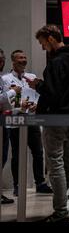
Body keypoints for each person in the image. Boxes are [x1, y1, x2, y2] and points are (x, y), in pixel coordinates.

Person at [27, 25, 69, 222]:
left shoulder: (57, 62)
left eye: (42, 43)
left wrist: (38, 85)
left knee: (55, 165)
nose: (42, 48)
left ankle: (61, 211)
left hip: (55, 119)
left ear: (50, 39)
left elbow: (53, 93)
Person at [1, 50, 53, 197]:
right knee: (17, 154)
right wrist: (19, 106)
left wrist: (36, 104)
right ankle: (18, 185)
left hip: (32, 118)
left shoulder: (31, 77)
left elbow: (38, 95)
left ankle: (40, 183)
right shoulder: (5, 79)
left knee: (38, 152)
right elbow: (5, 100)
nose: (23, 60)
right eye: (20, 58)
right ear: (13, 61)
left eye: (24, 58)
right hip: (16, 120)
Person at [0, 48, 21, 205]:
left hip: (4, 121)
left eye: (3, 59)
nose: (2, 62)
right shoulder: (5, 78)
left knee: (3, 157)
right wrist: (13, 92)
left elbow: (5, 103)